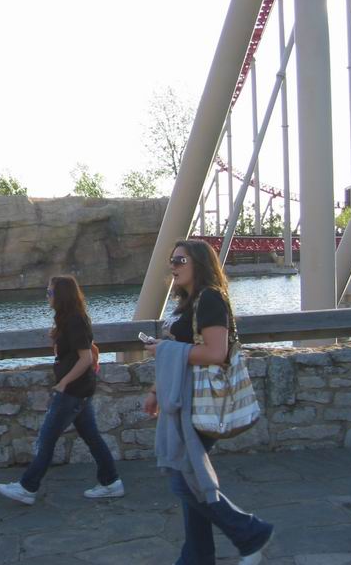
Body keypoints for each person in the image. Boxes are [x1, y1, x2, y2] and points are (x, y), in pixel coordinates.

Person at [143, 240, 274, 565]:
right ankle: (198, 557)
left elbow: (216, 353)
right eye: (172, 260)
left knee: (185, 481)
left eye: (180, 260)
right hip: (184, 399)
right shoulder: (189, 303)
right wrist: (156, 390)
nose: (173, 266)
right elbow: (183, 350)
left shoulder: (211, 298)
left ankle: (250, 532)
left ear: (199, 264)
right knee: (188, 478)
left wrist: (164, 350)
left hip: (201, 402)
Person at [0, 274, 124, 505]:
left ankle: (27, 487)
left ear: (62, 295)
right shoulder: (70, 319)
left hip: (72, 391)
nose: (47, 296)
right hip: (79, 390)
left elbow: (85, 358)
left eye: (50, 292)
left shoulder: (75, 320)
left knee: (46, 439)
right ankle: (111, 482)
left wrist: (64, 382)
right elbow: (87, 348)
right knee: (92, 437)